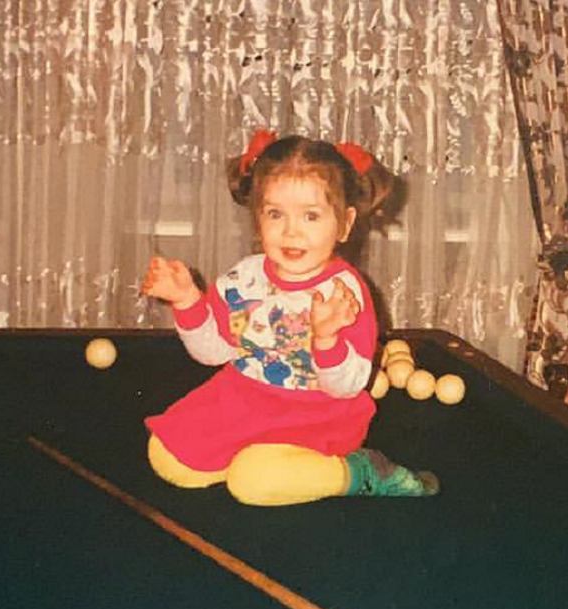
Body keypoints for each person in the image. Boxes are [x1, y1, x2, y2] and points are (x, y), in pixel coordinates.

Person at [141, 130, 438, 506]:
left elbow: (348, 386)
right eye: (275, 214)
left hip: (317, 415)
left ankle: (357, 471)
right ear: (258, 218)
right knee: (166, 456)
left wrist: (327, 339)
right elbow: (213, 352)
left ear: (344, 224)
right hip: (244, 401)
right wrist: (187, 301)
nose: (291, 231)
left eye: (311, 216)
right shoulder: (244, 277)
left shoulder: (344, 293)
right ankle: (262, 462)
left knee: (252, 482)